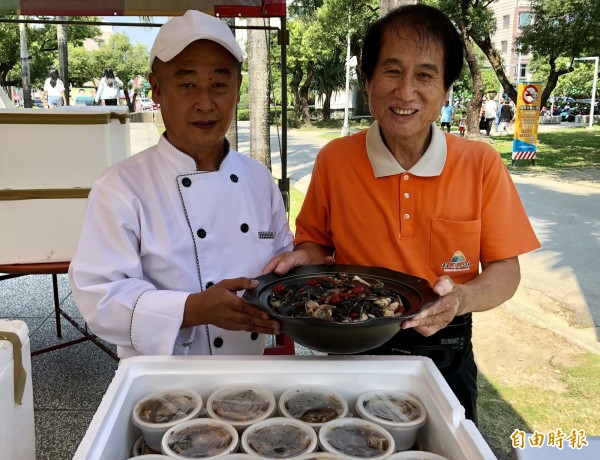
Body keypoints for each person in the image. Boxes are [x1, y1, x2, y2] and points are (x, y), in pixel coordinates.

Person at [263, 4, 540, 425]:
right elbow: (316, 243)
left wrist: (461, 298)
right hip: (350, 342)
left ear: (447, 90)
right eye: (391, 71)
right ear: (368, 81)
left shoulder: (480, 164)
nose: (406, 91)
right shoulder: (335, 160)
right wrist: (305, 256)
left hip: (443, 345)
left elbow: (506, 271)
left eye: (426, 75)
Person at [68, 10, 294, 359]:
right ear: (156, 89)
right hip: (164, 383)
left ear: (237, 88)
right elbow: (100, 297)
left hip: (249, 373)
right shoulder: (120, 187)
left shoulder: (258, 179)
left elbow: (280, 267)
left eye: (220, 84)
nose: (205, 103)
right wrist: (192, 309)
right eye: (187, 84)